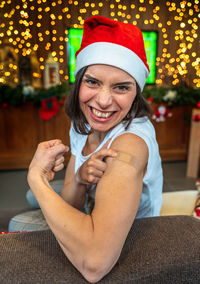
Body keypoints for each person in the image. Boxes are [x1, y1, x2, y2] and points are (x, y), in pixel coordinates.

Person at [10, 16, 163, 283]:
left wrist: (36, 177)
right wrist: (80, 177)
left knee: (18, 221)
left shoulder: (130, 144)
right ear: (79, 81)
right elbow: (72, 202)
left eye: (121, 87)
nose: (103, 102)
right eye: (92, 82)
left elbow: (95, 265)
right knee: (34, 196)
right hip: (92, 204)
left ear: (136, 93)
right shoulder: (83, 122)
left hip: (126, 231)